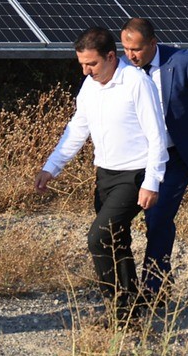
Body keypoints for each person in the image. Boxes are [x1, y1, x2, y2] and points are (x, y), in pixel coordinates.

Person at [37, 26, 168, 320]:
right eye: (82, 64)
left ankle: (116, 307)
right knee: (117, 241)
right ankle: (131, 307)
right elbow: (77, 129)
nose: (86, 71)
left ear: (111, 56)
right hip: (105, 175)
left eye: (92, 64)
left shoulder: (136, 83)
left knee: (99, 237)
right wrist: (51, 167)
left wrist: (151, 182)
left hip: (134, 175)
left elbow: (157, 136)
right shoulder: (89, 86)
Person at [119, 17, 188, 297]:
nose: (130, 55)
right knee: (123, 218)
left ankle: (153, 289)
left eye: (137, 49)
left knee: (157, 217)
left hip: (176, 155)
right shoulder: (121, 68)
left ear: (153, 43)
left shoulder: (182, 61)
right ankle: (128, 285)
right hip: (137, 157)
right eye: (126, 49)